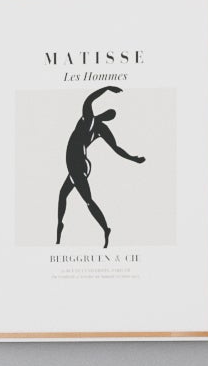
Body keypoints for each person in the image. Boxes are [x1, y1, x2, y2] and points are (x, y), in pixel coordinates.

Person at [55, 84, 145, 246]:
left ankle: (105, 228)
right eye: (109, 113)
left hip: (79, 163)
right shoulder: (89, 119)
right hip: (77, 163)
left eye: (110, 116)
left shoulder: (100, 128)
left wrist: (133, 158)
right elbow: (88, 100)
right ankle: (60, 226)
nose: (107, 116)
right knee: (63, 194)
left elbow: (116, 148)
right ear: (103, 113)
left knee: (88, 200)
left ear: (107, 118)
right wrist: (107, 88)